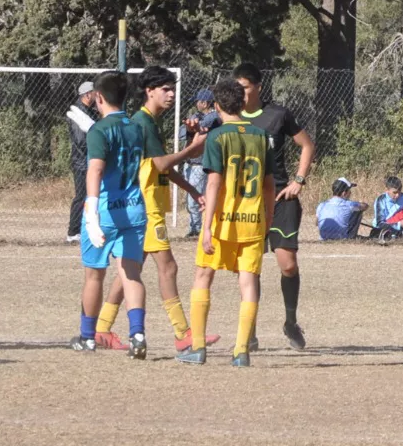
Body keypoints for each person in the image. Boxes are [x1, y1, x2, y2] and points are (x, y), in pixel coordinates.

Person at [92, 67, 208, 353]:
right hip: (147, 207)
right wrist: (192, 150)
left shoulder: (148, 123)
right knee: (168, 267)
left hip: (144, 203)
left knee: (129, 270)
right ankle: (183, 333)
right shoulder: (143, 123)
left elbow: (160, 166)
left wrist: (192, 190)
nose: (171, 94)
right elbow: (160, 165)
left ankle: (102, 328)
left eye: (173, 89)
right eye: (165, 89)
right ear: (149, 91)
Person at [178, 79, 276, 367]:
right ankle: (242, 351)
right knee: (248, 283)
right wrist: (267, 219)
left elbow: (214, 183)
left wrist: (205, 227)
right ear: (244, 104)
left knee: (203, 276)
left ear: (217, 106)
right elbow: (269, 185)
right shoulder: (261, 136)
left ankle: (197, 348)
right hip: (253, 222)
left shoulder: (217, 137)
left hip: (223, 222)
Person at [236, 63, 315, 350]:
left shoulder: (277, 114)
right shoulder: (229, 118)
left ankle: (290, 322)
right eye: (237, 87)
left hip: (281, 198)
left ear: (257, 87)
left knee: (288, 265)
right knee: (250, 268)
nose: (240, 93)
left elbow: (307, 145)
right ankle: (250, 332)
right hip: (248, 201)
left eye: (245, 87)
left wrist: (299, 180)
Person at [70, 71, 148, 359]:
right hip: (134, 208)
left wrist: (91, 212)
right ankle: (138, 335)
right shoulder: (136, 127)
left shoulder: (100, 130)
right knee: (131, 273)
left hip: (105, 211)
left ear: (98, 98)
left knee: (94, 275)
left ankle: (87, 337)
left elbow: (95, 169)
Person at [180, 88, 219, 239]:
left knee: (195, 199)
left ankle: (197, 229)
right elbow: (182, 132)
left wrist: (194, 127)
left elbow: (199, 127)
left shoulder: (213, 116)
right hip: (190, 162)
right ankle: (195, 227)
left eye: (198, 101)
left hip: (200, 163)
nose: (196, 104)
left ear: (204, 102)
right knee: (192, 198)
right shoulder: (196, 115)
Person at [66, 81, 98, 244]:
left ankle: (85, 228)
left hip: (88, 161)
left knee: (89, 196)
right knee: (81, 196)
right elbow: (80, 140)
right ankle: (73, 232)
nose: (97, 95)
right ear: (87, 94)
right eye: (95, 92)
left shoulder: (90, 111)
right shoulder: (78, 112)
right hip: (81, 162)